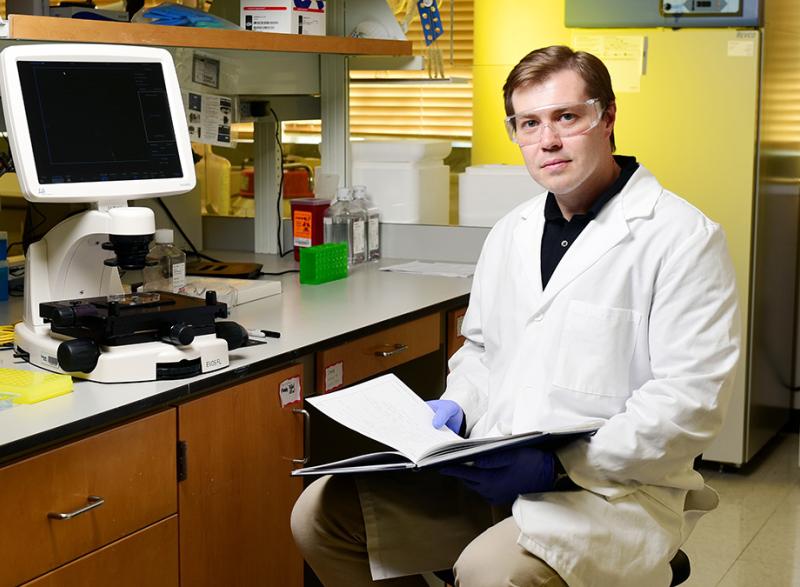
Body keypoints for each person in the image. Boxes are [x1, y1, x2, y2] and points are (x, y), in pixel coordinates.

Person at [291, 45, 740, 587]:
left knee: (491, 573)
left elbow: (689, 401)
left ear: (608, 118)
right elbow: (482, 351)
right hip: (488, 471)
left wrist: (560, 465)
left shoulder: (680, 237)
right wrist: (457, 405)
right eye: (529, 123)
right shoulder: (512, 231)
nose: (547, 140)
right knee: (320, 515)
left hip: (611, 489)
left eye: (566, 117)